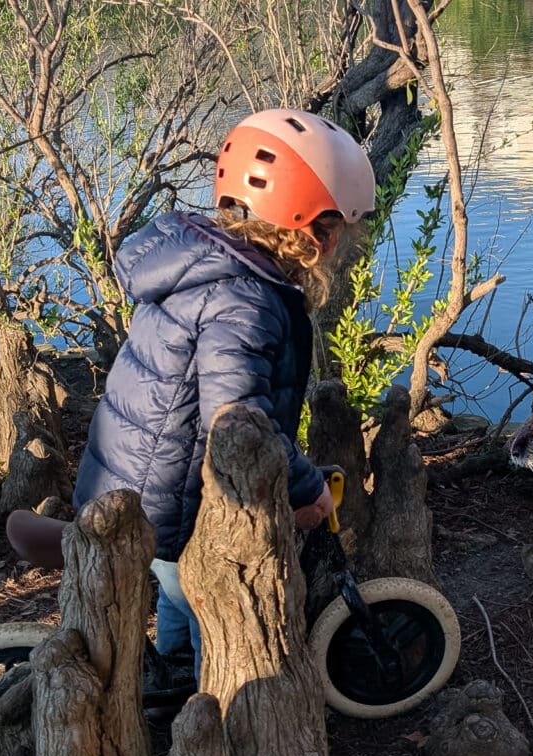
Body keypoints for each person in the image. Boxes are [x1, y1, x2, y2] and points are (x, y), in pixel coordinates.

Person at [72, 108, 376, 677]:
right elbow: (236, 422)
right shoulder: (245, 301)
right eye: (338, 228)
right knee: (211, 601)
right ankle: (214, 703)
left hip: (135, 483)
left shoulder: (209, 265)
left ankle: (177, 673)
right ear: (310, 230)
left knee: (175, 591)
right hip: (165, 504)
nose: (340, 245)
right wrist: (308, 490)